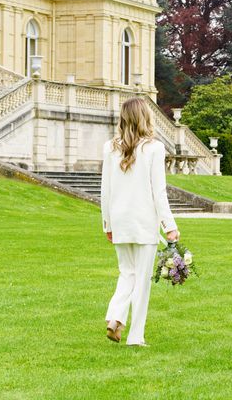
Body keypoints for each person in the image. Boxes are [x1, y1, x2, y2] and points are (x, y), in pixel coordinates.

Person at [101, 97, 179, 346]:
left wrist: (107, 224)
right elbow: (159, 191)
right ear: (145, 117)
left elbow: (105, 190)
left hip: (120, 219)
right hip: (144, 221)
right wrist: (169, 225)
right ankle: (135, 336)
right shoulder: (154, 148)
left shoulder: (110, 148)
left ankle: (115, 317)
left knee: (127, 273)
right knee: (141, 280)